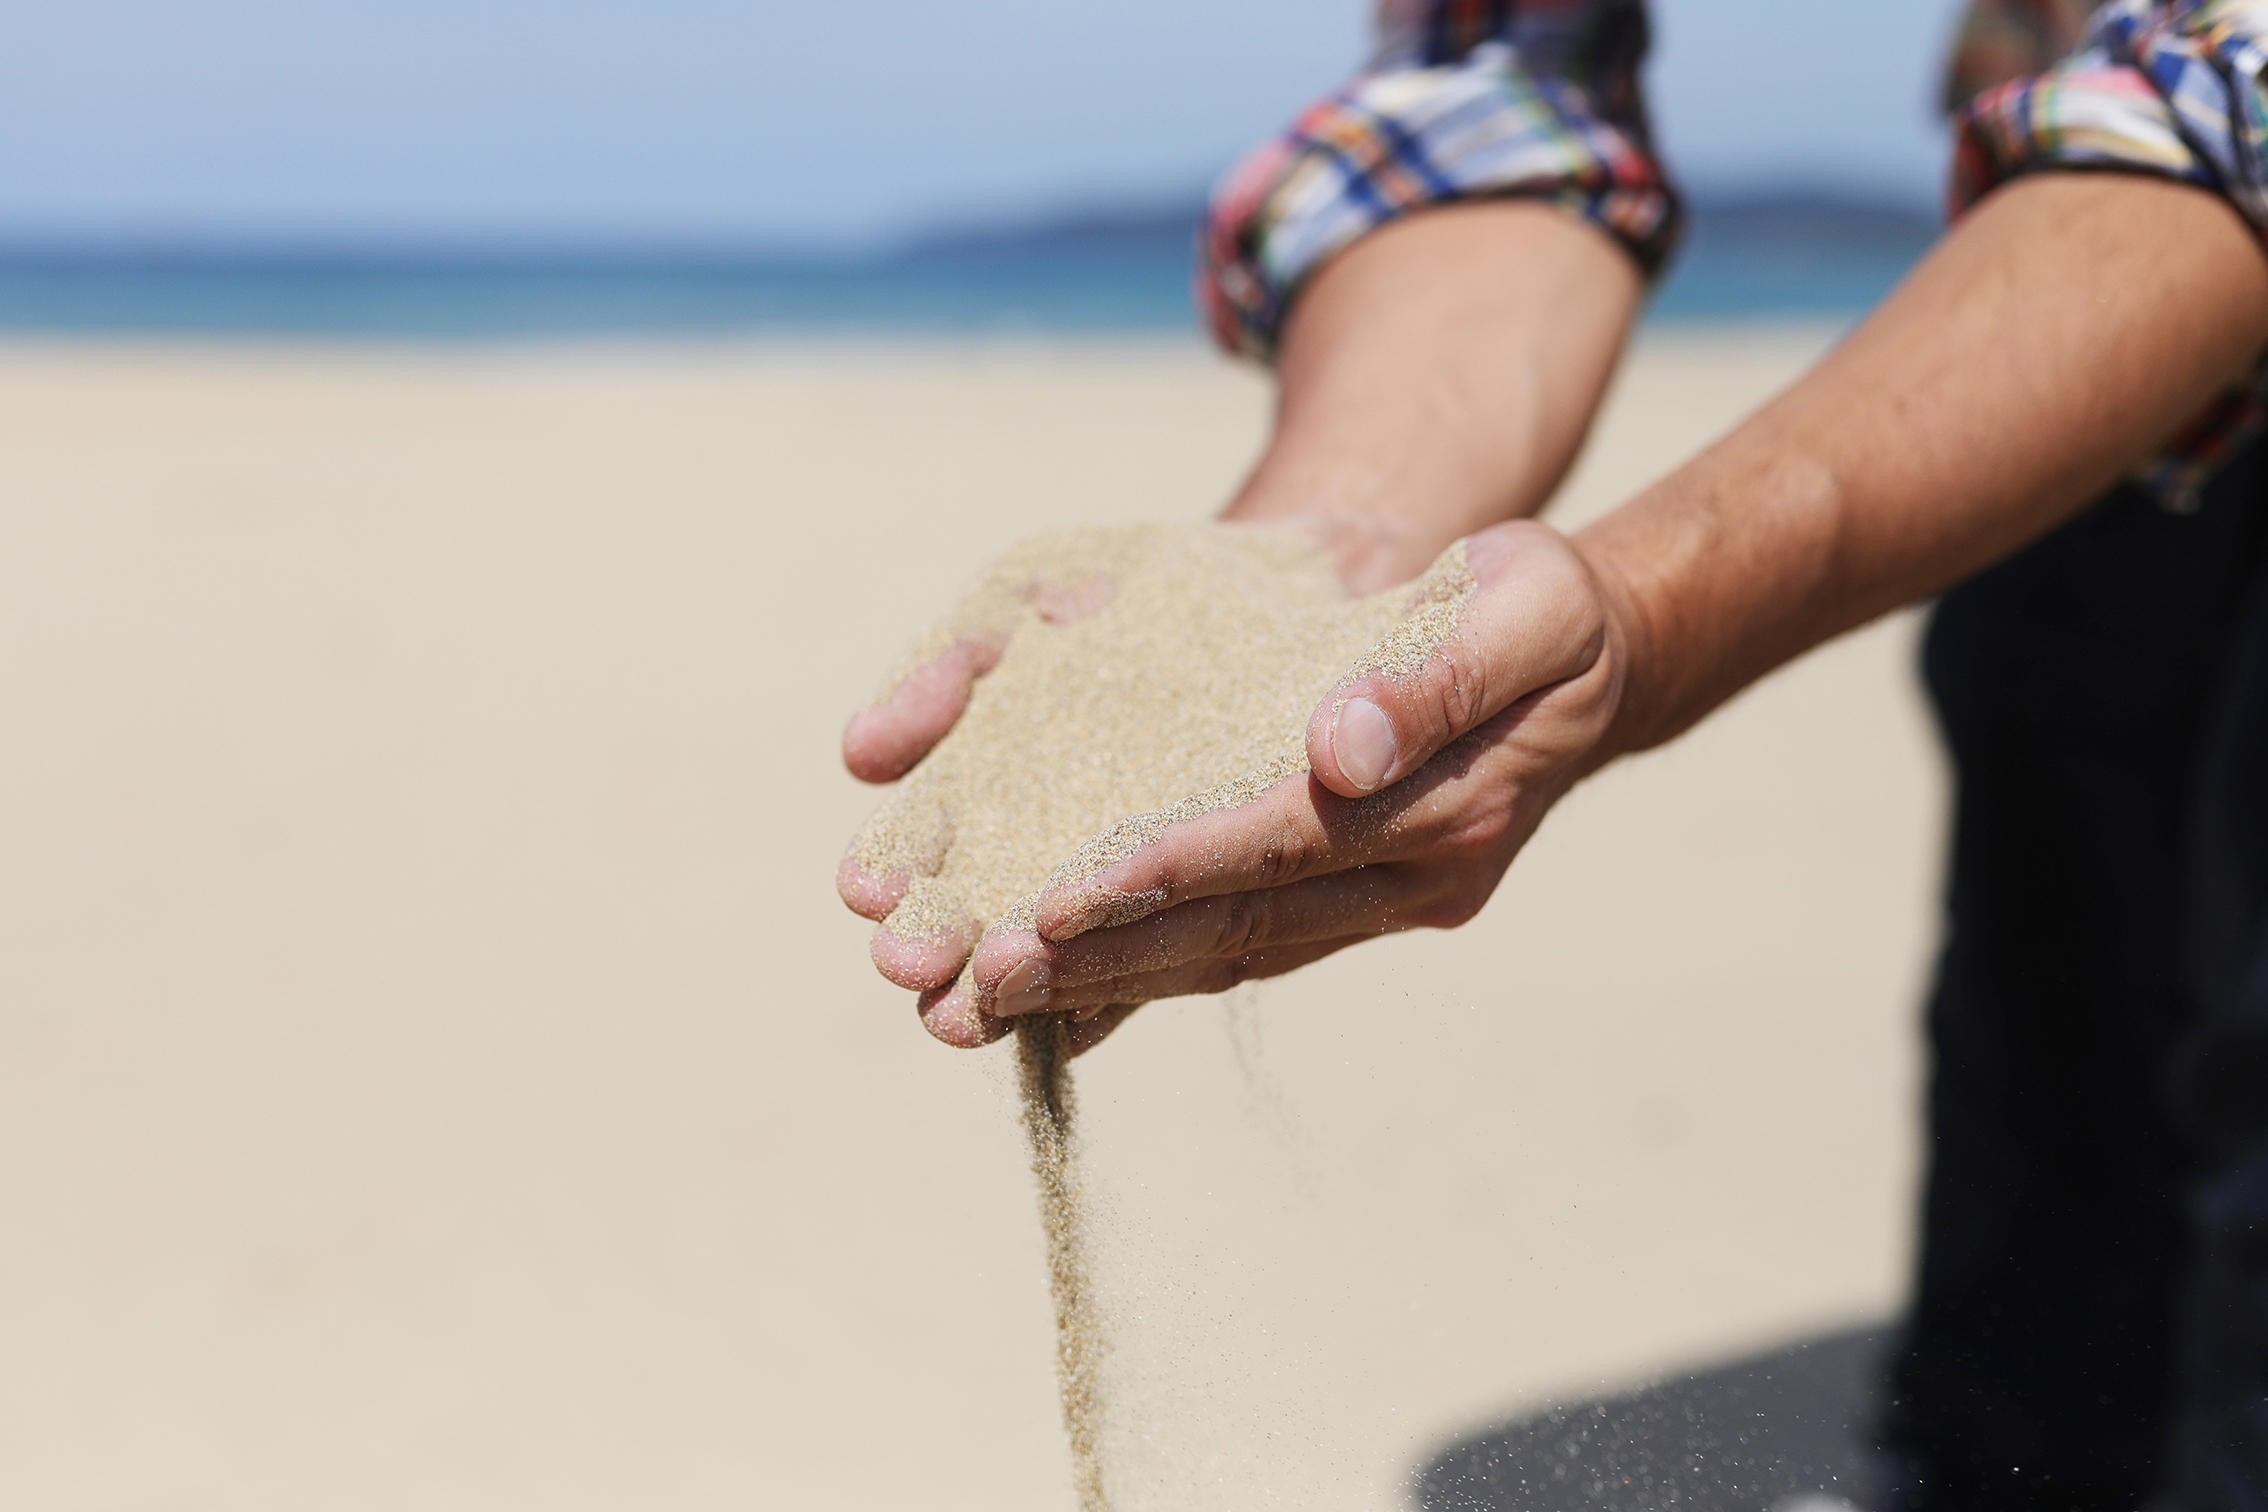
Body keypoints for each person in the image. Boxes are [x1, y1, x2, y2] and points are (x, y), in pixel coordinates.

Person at [838, 2, 2268, 1507]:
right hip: (2077, 189)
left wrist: (1644, 613)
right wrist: (1320, 559)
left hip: (2193, 141)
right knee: (2063, 813)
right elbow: (1507, 88)